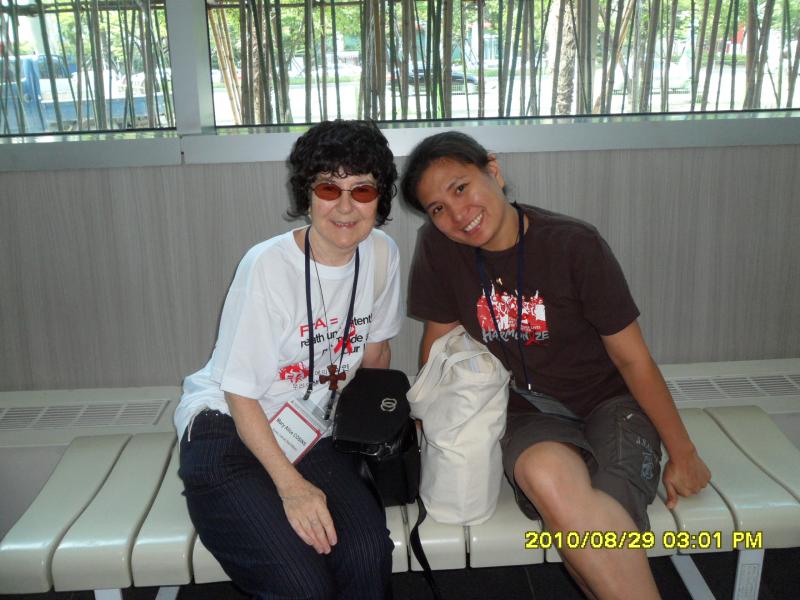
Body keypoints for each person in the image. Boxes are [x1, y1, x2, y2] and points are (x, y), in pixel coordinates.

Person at [401, 131, 711, 600]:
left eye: (461, 188)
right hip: (525, 410)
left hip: (609, 402)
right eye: (438, 208)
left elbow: (632, 358)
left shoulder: (574, 244)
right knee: (548, 478)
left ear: (493, 170)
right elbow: (438, 343)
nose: (458, 215)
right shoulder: (439, 247)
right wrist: (432, 430)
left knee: (591, 524)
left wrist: (683, 454)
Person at [174, 120, 402, 600]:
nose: (345, 206)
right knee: (302, 584)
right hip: (227, 426)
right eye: (328, 188)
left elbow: (376, 351)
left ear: (380, 198)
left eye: (362, 190)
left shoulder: (382, 255)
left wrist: (370, 434)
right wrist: (292, 487)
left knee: (367, 554)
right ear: (307, 195)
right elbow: (240, 393)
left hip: (310, 431)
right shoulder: (267, 266)